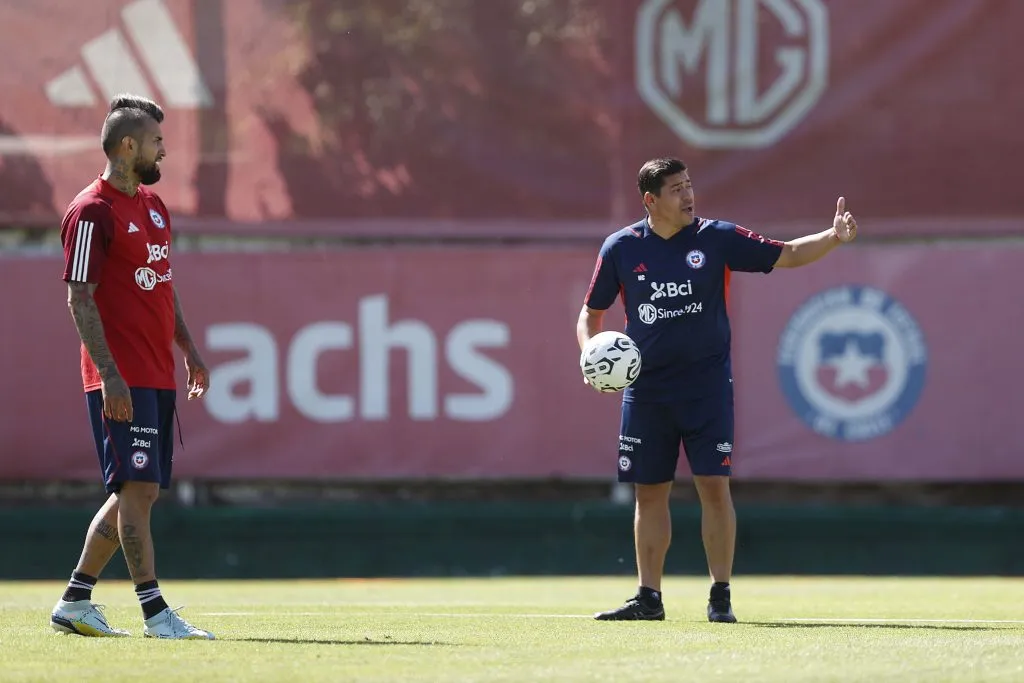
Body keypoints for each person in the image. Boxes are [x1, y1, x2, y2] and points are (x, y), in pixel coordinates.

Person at [578, 157, 858, 623]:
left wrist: (833, 238)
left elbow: (786, 253)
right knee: (650, 493)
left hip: (706, 389)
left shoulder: (716, 238)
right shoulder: (621, 248)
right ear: (650, 200)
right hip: (646, 393)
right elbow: (591, 313)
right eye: (676, 189)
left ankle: (720, 595)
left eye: (689, 186)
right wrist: (591, 354)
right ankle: (649, 598)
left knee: (714, 487)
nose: (688, 196)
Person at [50, 94, 215, 639]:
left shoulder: (153, 206)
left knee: (134, 491)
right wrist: (110, 375)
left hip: (156, 372)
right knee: (137, 489)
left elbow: (164, 286)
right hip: (119, 377)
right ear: (128, 145)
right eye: (156, 142)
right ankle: (155, 612)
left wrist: (188, 348)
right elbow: (79, 297)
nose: (162, 150)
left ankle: (75, 601)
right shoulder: (91, 211)